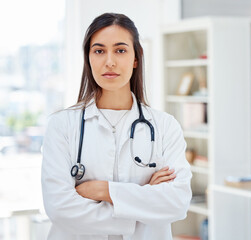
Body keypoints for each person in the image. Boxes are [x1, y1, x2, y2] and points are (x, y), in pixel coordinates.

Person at [41, 12, 192, 240]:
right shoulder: (61, 125)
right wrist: (143, 202)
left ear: (135, 58)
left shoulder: (164, 126)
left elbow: (177, 202)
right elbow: (60, 208)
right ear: (88, 58)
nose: (109, 61)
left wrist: (104, 190)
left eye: (120, 50)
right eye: (99, 51)